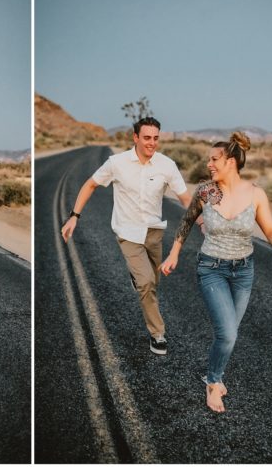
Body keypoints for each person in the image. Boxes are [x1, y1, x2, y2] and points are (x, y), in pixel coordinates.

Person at [159, 132, 272, 413]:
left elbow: (269, 230)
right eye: (208, 159)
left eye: (214, 159)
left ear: (231, 161)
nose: (209, 164)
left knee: (230, 332)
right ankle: (213, 382)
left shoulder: (256, 193)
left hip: (244, 271)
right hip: (211, 268)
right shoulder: (207, 192)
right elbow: (186, 222)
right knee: (227, 334)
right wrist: (173, 253)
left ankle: (214, 374)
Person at [60, 117, 193, 355]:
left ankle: (138, 277)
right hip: (128, 233)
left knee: (153, 283)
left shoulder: (166, 165)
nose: (152, 143)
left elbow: (184, 197)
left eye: (155, 138)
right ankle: (158, 334)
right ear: (135, 137)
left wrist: (201, 218)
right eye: (147, 138)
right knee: (146, 284)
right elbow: (90, 184)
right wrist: (74, 216)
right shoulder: (117, 163)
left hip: (154, 232)